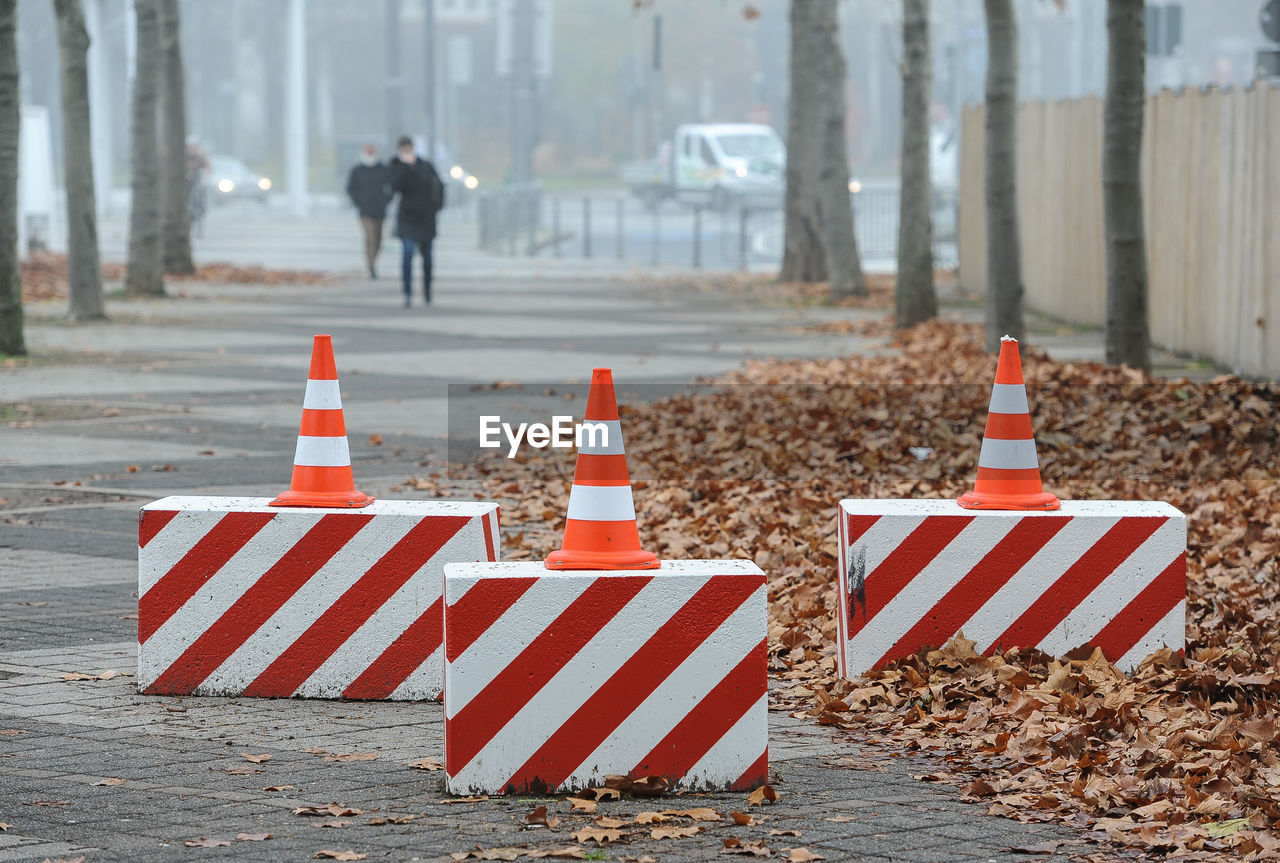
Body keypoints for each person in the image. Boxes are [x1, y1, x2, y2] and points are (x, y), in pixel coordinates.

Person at [388, 135, 445, 306]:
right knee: (407, 254)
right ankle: (407, 293)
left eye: (409, 149)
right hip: (408, 217)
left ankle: (427, 291)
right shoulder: (396, 166)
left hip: (426, 218)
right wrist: (405, 167)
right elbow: (394, 186)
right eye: (403, 150)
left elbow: (437, 186)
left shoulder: (425, 166)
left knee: (427, 258)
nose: (407, 153)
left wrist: (437, 206)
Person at [346, 143, 392, 279]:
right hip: (364, 211)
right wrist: (358, 201)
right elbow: (350, 188)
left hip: (380, 210)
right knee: (370, 237)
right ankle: (371, 265)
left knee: (378, 239)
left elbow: (391, 187)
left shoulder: (383, 169)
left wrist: (386, 200)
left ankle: (373, 260)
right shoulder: (357, 170)